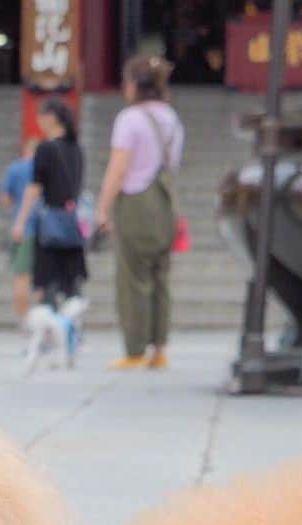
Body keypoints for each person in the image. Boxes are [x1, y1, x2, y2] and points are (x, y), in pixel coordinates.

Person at [96, 55, 185, 371]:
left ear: (134, 85)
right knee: (161, 277)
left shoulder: (130, 119)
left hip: (135, 200)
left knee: (133, 277)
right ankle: (159, 348)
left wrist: (103, 207)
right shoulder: (172, 118)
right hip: (165, 200)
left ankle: (135, 349)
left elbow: (119, 168)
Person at [11, 98, 87, 311]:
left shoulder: (45, 149)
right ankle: (74, 333)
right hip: (73, 223)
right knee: (72, 284)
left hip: (51, 224)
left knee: (48, 284)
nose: (39, 120)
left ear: (51, 117)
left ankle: (50, 330)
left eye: (41, 115)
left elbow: (35, 187)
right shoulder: (76, 148)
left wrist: (20, 222)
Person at [0, 137, 39, 322]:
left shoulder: (15, 168)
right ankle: (41, 319)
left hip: (23, 229)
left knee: (21, 276)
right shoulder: (45, 168)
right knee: (41, 279)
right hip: (46, 228)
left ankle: (24, 320)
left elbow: (6, 198)